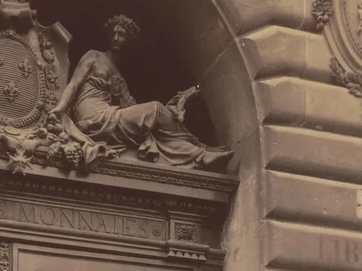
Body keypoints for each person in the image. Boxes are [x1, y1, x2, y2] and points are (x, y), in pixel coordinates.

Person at [49, 14, 230, 169]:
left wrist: (173, 106)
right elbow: (72, 85)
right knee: (155, 109)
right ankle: (200, 149)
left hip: (110, 117)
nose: (115, 37)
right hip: (92, 116)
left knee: (154, 122)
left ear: (129, 39)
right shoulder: (93, 56)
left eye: (121, 34)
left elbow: (137, 113)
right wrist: (59, 110)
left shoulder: (119, 79)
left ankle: (199, 153)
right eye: (113, 33)